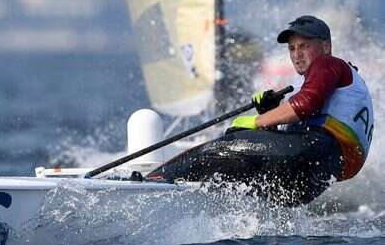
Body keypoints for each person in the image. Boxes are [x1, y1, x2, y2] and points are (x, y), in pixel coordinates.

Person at [148, 15, 374, 205]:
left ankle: (153, 181)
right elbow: (295, 135)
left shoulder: (328, 63)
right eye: (292, 48)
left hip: (317, 154)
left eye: (304, 46)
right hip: (318, 172)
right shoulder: (335, 80)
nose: (297, 54)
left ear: (326, 47)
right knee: (241, 185)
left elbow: (306, 105)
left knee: (220, 148)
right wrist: (271, 112)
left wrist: (257, 121)